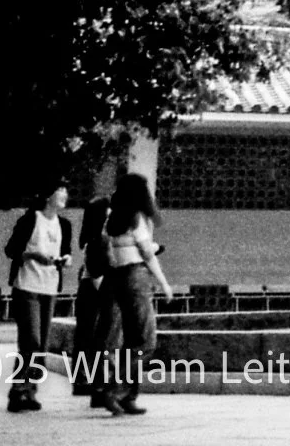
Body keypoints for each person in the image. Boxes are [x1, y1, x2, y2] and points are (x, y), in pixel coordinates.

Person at [99, 173, 172, 416]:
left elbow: (106, 249)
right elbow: (147, 254)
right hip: (136, 277)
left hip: (116, 278)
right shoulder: (138, 218)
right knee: (145, 341)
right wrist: (163, 283)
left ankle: (129, 396)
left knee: (130, 343)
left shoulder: (112, 218)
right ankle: (115, 389)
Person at [3, 183, 73, 411]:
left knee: (41, 343)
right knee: (30, 340)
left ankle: (31, 390)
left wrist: (66, 259)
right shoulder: (31, 220)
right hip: (27, 285)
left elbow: (67, 251)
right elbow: (11, 250)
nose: (64, 194)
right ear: (48, 195)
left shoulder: (64, 224)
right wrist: (33, 255)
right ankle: (18, 390)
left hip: (50, 287)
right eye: (60, 190)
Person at [70, 196, 118, 402]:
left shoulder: (97, 239)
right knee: (94, 337)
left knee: (87, 336)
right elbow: (96, 270)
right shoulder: (97, 240)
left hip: (93, 286)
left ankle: (86, 381)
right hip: (95, 287)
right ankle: (89, 381)